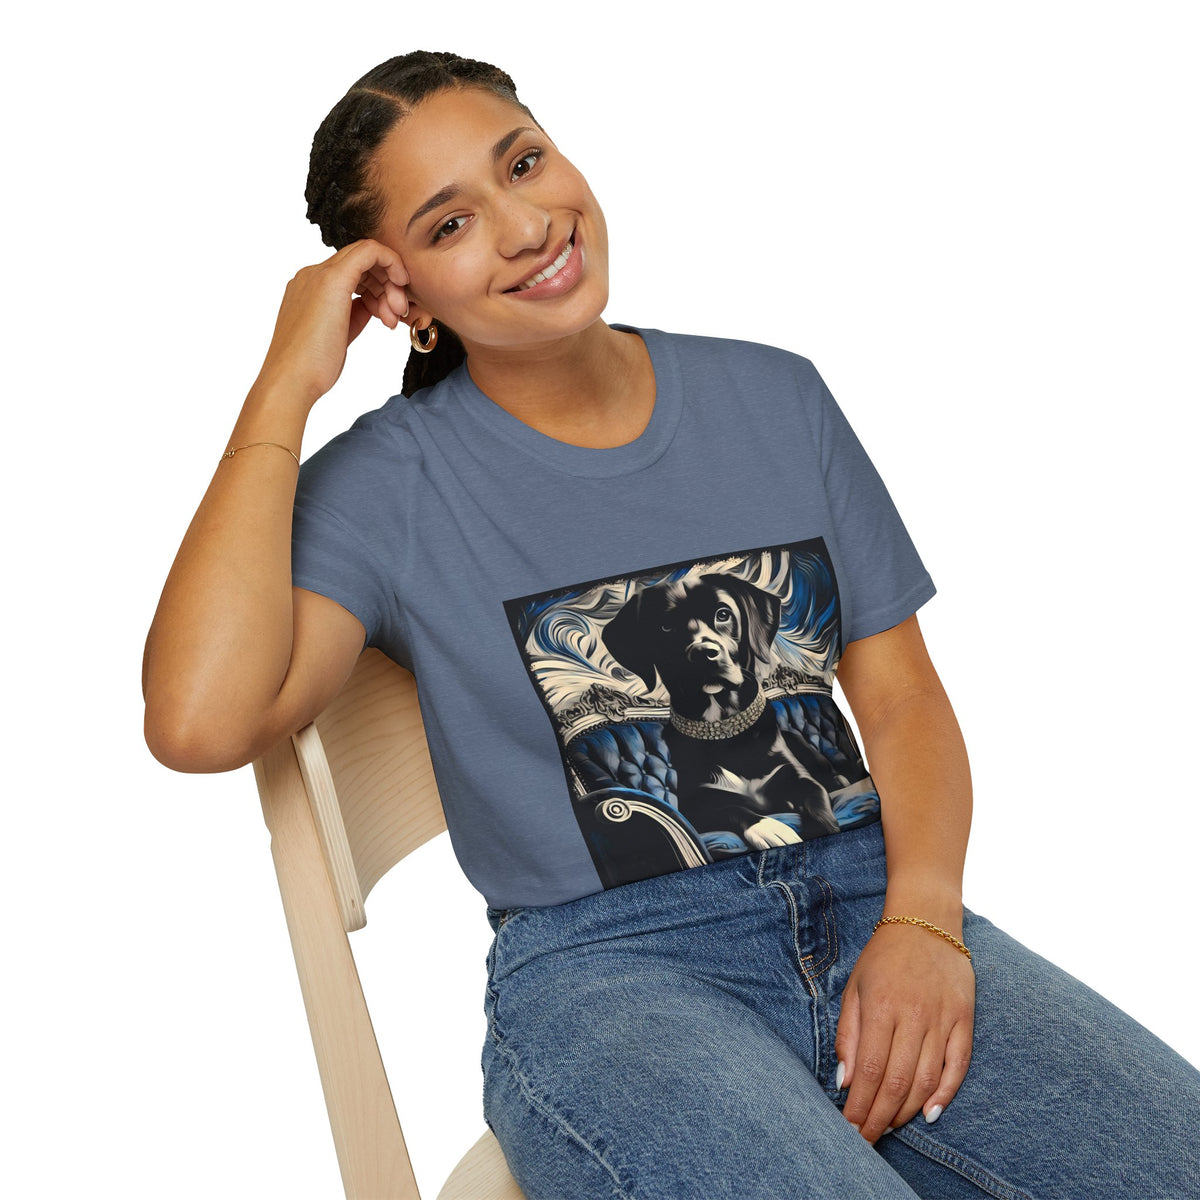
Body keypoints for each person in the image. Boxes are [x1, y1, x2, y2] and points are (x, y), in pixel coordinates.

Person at [143, 50, 1200, 1199]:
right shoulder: (391, 484)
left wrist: (926, 923)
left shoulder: (777, 398)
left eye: (524, 164)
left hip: (876, 902)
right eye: (450, 224)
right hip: (614, 976)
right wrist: (284, 384)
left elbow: (902, 701)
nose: (526, 226)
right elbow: (199, 722)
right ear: (404, 299)